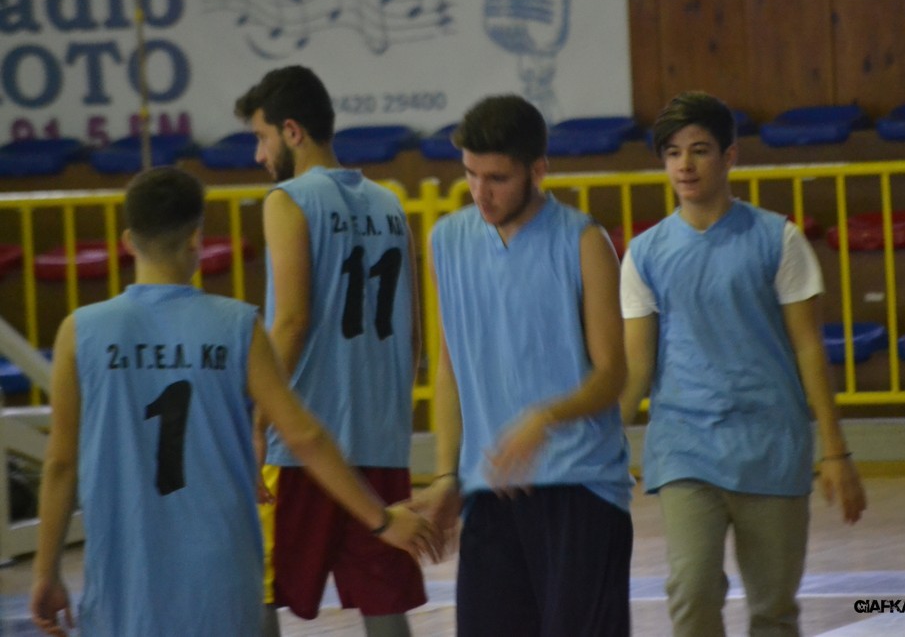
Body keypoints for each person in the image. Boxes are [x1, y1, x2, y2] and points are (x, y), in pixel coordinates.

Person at [29, 167, 438, 637]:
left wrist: (45, 571)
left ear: (127, 241)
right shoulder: (238, 326)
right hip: (220, 568)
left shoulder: (79, 332)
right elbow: (304, 436)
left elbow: (60, 464)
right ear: (196, 240)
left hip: (124, 568)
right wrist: (380, 520)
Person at [618, 91, 868, 637]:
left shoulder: (778, 239)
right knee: (691, 592)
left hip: (770, 445)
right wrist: (602, 442)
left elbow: (809, 348)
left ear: (729, 156)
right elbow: (637, 367)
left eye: (699, 150)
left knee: (773, 611)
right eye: (672, 153)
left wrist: (835, 452)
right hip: (685, 447)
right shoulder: (644, 254)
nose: (685, 165)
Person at [412, 94, 634, 637]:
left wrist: (543, 417)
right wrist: (447, 474)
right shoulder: (446, 240)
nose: (480, 192)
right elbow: (451, 368)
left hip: (580, 487)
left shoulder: (583, 241)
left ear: (538, 170)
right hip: (490, 492)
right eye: (470, 174)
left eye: (497, 178)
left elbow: (612, 373)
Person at [234, 65, 425, 637]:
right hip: (380, 439)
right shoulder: (390, 204)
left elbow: (291, 322)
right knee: (383, 603)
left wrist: (258, 418)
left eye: (262, 137)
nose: (258, 155)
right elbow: (412, 334)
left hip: (304, 445)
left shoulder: (288, 200)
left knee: (256, 588)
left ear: (292, 131)